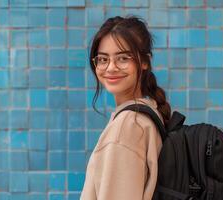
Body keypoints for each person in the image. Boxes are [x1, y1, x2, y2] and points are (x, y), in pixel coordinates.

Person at [80, 16, 171, 200]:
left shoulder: (128, 126)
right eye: (103, 59)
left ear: (144, 61)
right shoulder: (148, 112)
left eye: (123, 58)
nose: (111, 68)